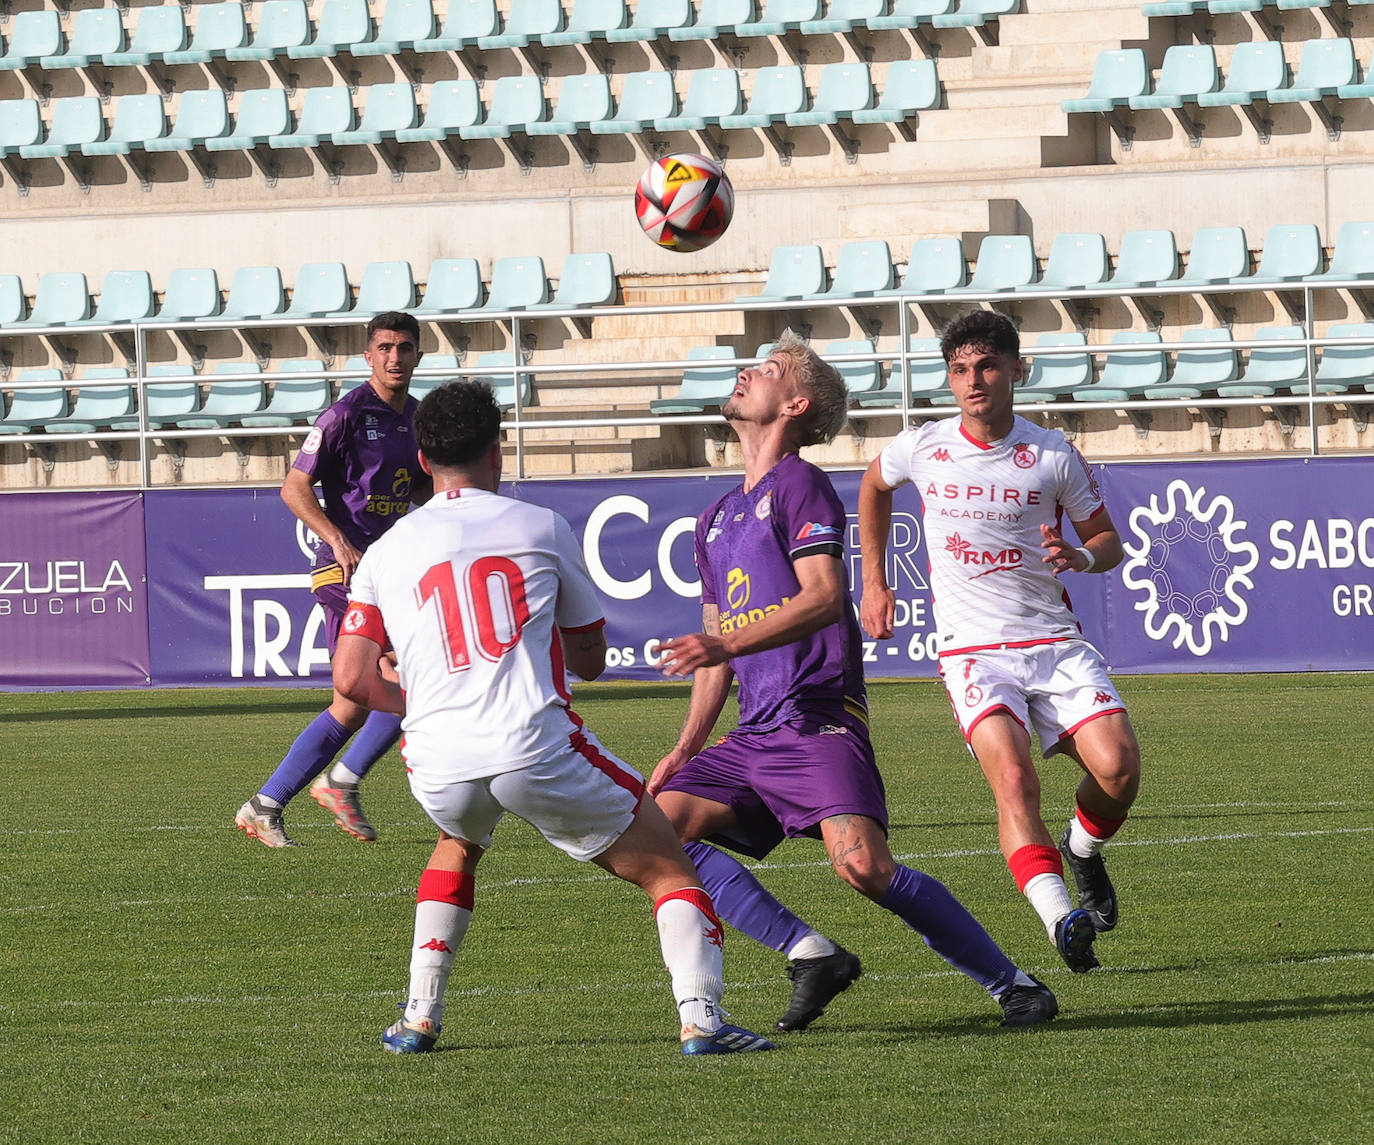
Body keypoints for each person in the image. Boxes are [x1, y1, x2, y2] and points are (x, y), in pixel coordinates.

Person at [332, 379, 776, 1057]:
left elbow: (352, 679)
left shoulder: (388, 549)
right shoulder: (538, 525)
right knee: (669, 870)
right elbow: (590, 658)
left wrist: (423, 701)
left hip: (435, 756)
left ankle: (419, 1015)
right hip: (532, 745)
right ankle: (702, 1020)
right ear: (497, 450)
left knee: (458, 844)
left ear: (421, 460)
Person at [648, 330, 1058, 1031]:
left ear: (797, 403)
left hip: (816, 720)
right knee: (654, 828)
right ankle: (811, 952)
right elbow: (715, 654)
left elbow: (819, 595)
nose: (749, 372)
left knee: (865, 867)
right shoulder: (713, 518)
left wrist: (724, 639)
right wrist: (686, 748)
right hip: (755, 731)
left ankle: (1012, 983)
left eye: (769, 369)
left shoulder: (800, 483)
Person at [857, 310, 1143, 974]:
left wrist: (1081, 556)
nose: (973, 380)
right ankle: (1059, 918)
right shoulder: (924, 446)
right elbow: (873, 484)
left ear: (1017, 369)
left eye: (986, 365)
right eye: (959, 369)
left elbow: (1109, 543)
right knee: (1014, 781)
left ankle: (1083, 851)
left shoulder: (1050, 453)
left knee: (1120, 769)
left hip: (1054, 641)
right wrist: (874, 581)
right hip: (973, 650)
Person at [235, 311, 432, 847]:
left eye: (405, 348)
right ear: (368, 356)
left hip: (389, 571)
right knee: (402, 685)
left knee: (365, 698)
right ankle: (338, 781)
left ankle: (270, 802)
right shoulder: (344, 415)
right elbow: (294, 488)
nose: (395, 357)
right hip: (343, 571)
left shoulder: (417, 418)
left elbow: (420, 494)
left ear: (419, 355)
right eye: (385, 348)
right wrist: (338, 538)